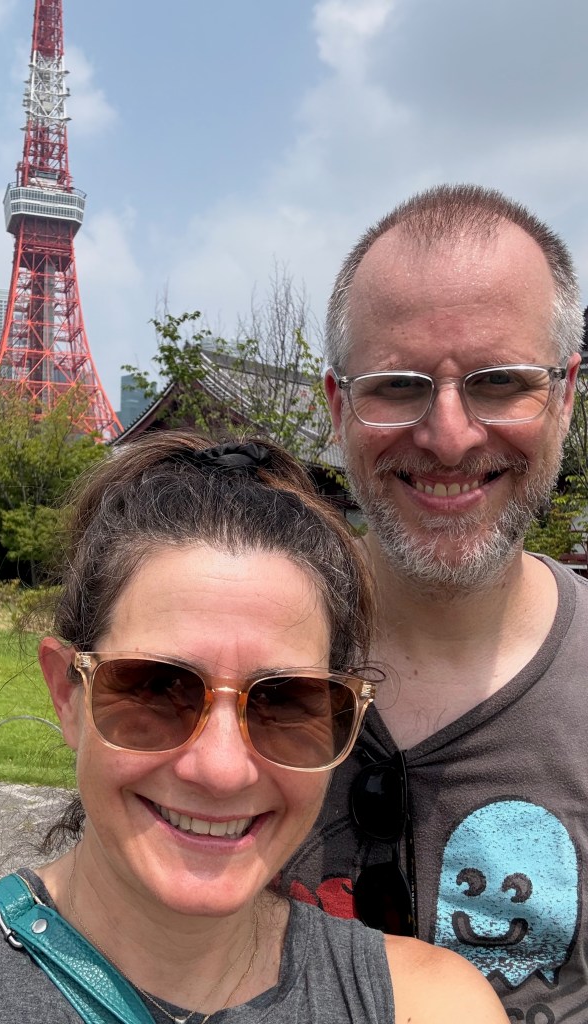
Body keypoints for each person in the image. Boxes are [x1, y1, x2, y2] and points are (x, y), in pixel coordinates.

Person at [0, 431, 507, 1024]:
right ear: (68, 693)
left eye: (287, 702)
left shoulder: (427, 1004)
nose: (220, 768)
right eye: (156, 689)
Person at [281, 184, 588, 1022]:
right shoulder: (234, 669)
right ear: (338, 405)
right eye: (398, 386)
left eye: (499, 383)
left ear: (565, 395)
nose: (449, 435)